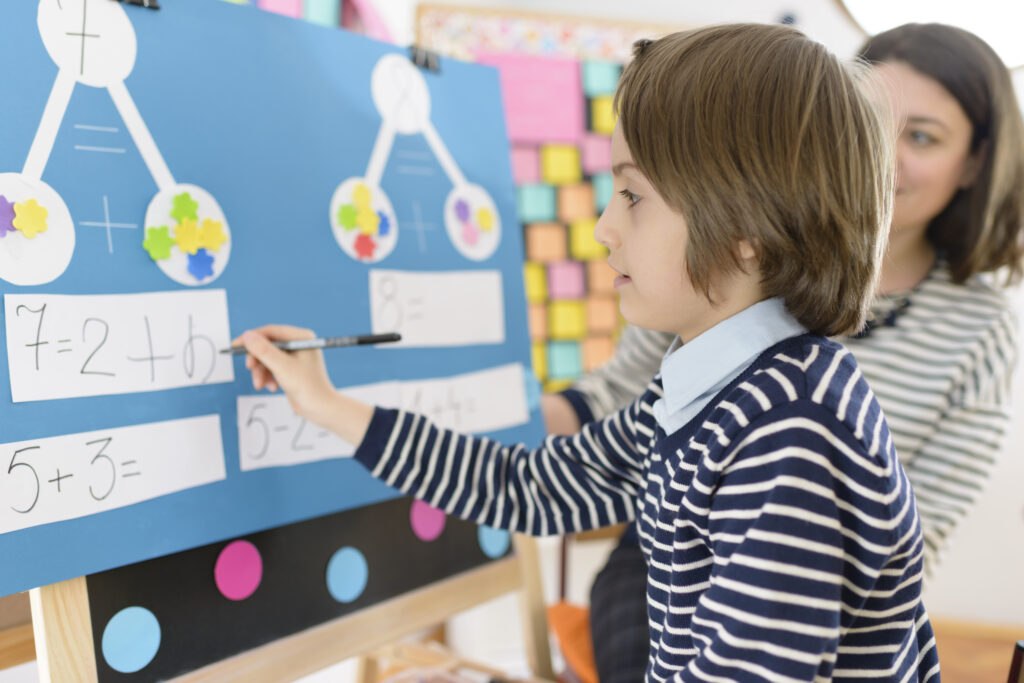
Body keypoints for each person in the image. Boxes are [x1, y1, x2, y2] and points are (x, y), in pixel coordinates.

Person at [238, 24, 941, 681]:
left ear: (747, 230)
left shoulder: (790, 435)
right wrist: (328, 406)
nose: (605, 228)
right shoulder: (705, 392)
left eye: (632, 195)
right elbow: (525, 487)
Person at [542, 22, 1024, 683]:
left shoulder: (980, 329)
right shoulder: (725, 255)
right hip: (672, 551)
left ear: (973, 163)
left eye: (922, 137)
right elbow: (622, 396)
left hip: (819, 579)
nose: (883, 150)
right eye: (869, 119)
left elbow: (924, 524)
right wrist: (513, 418)